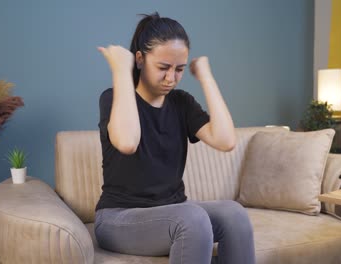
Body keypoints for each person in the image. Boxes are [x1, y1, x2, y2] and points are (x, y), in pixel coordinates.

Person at [94, 12, 256, 264]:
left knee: (234, 214)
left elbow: (226, 141)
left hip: (173, 213)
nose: (171, 78)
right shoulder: (113, 98)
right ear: (140, 59)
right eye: (163, 68)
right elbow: (127, 142)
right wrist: (121, 71)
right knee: (192, 218)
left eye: (178, 69)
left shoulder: (181, 103)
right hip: (118, 218)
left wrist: (206, 77)